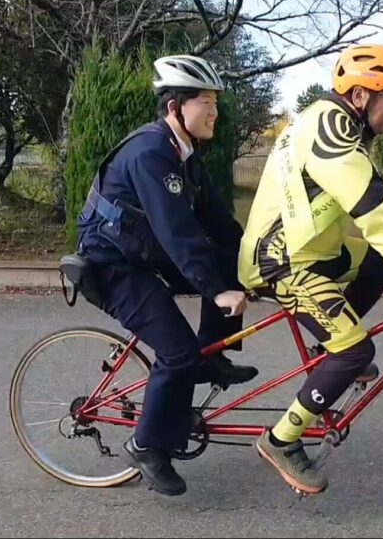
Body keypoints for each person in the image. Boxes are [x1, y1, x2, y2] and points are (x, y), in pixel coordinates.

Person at [237, 44, 383, 494]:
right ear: (363, 96)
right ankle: (281, 439)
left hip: (311, 250)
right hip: (281, 261)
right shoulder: (329, 127)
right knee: (355, 353)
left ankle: (334, 347)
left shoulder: (339, 123)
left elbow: (377, 200)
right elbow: (370, 201)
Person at [76, 54, 259, 496]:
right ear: (175, 107)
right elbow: (177, 232)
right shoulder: (151, 153)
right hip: (112, 264)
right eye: (205, 103)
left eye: (215, 102)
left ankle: (211, 357)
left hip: (142, 254)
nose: (214, 112)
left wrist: (257, 261)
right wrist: (216, 292)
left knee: (229, 261)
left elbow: (220, 225)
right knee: (177, 351)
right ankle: (146, 445)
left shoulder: (186, 155)